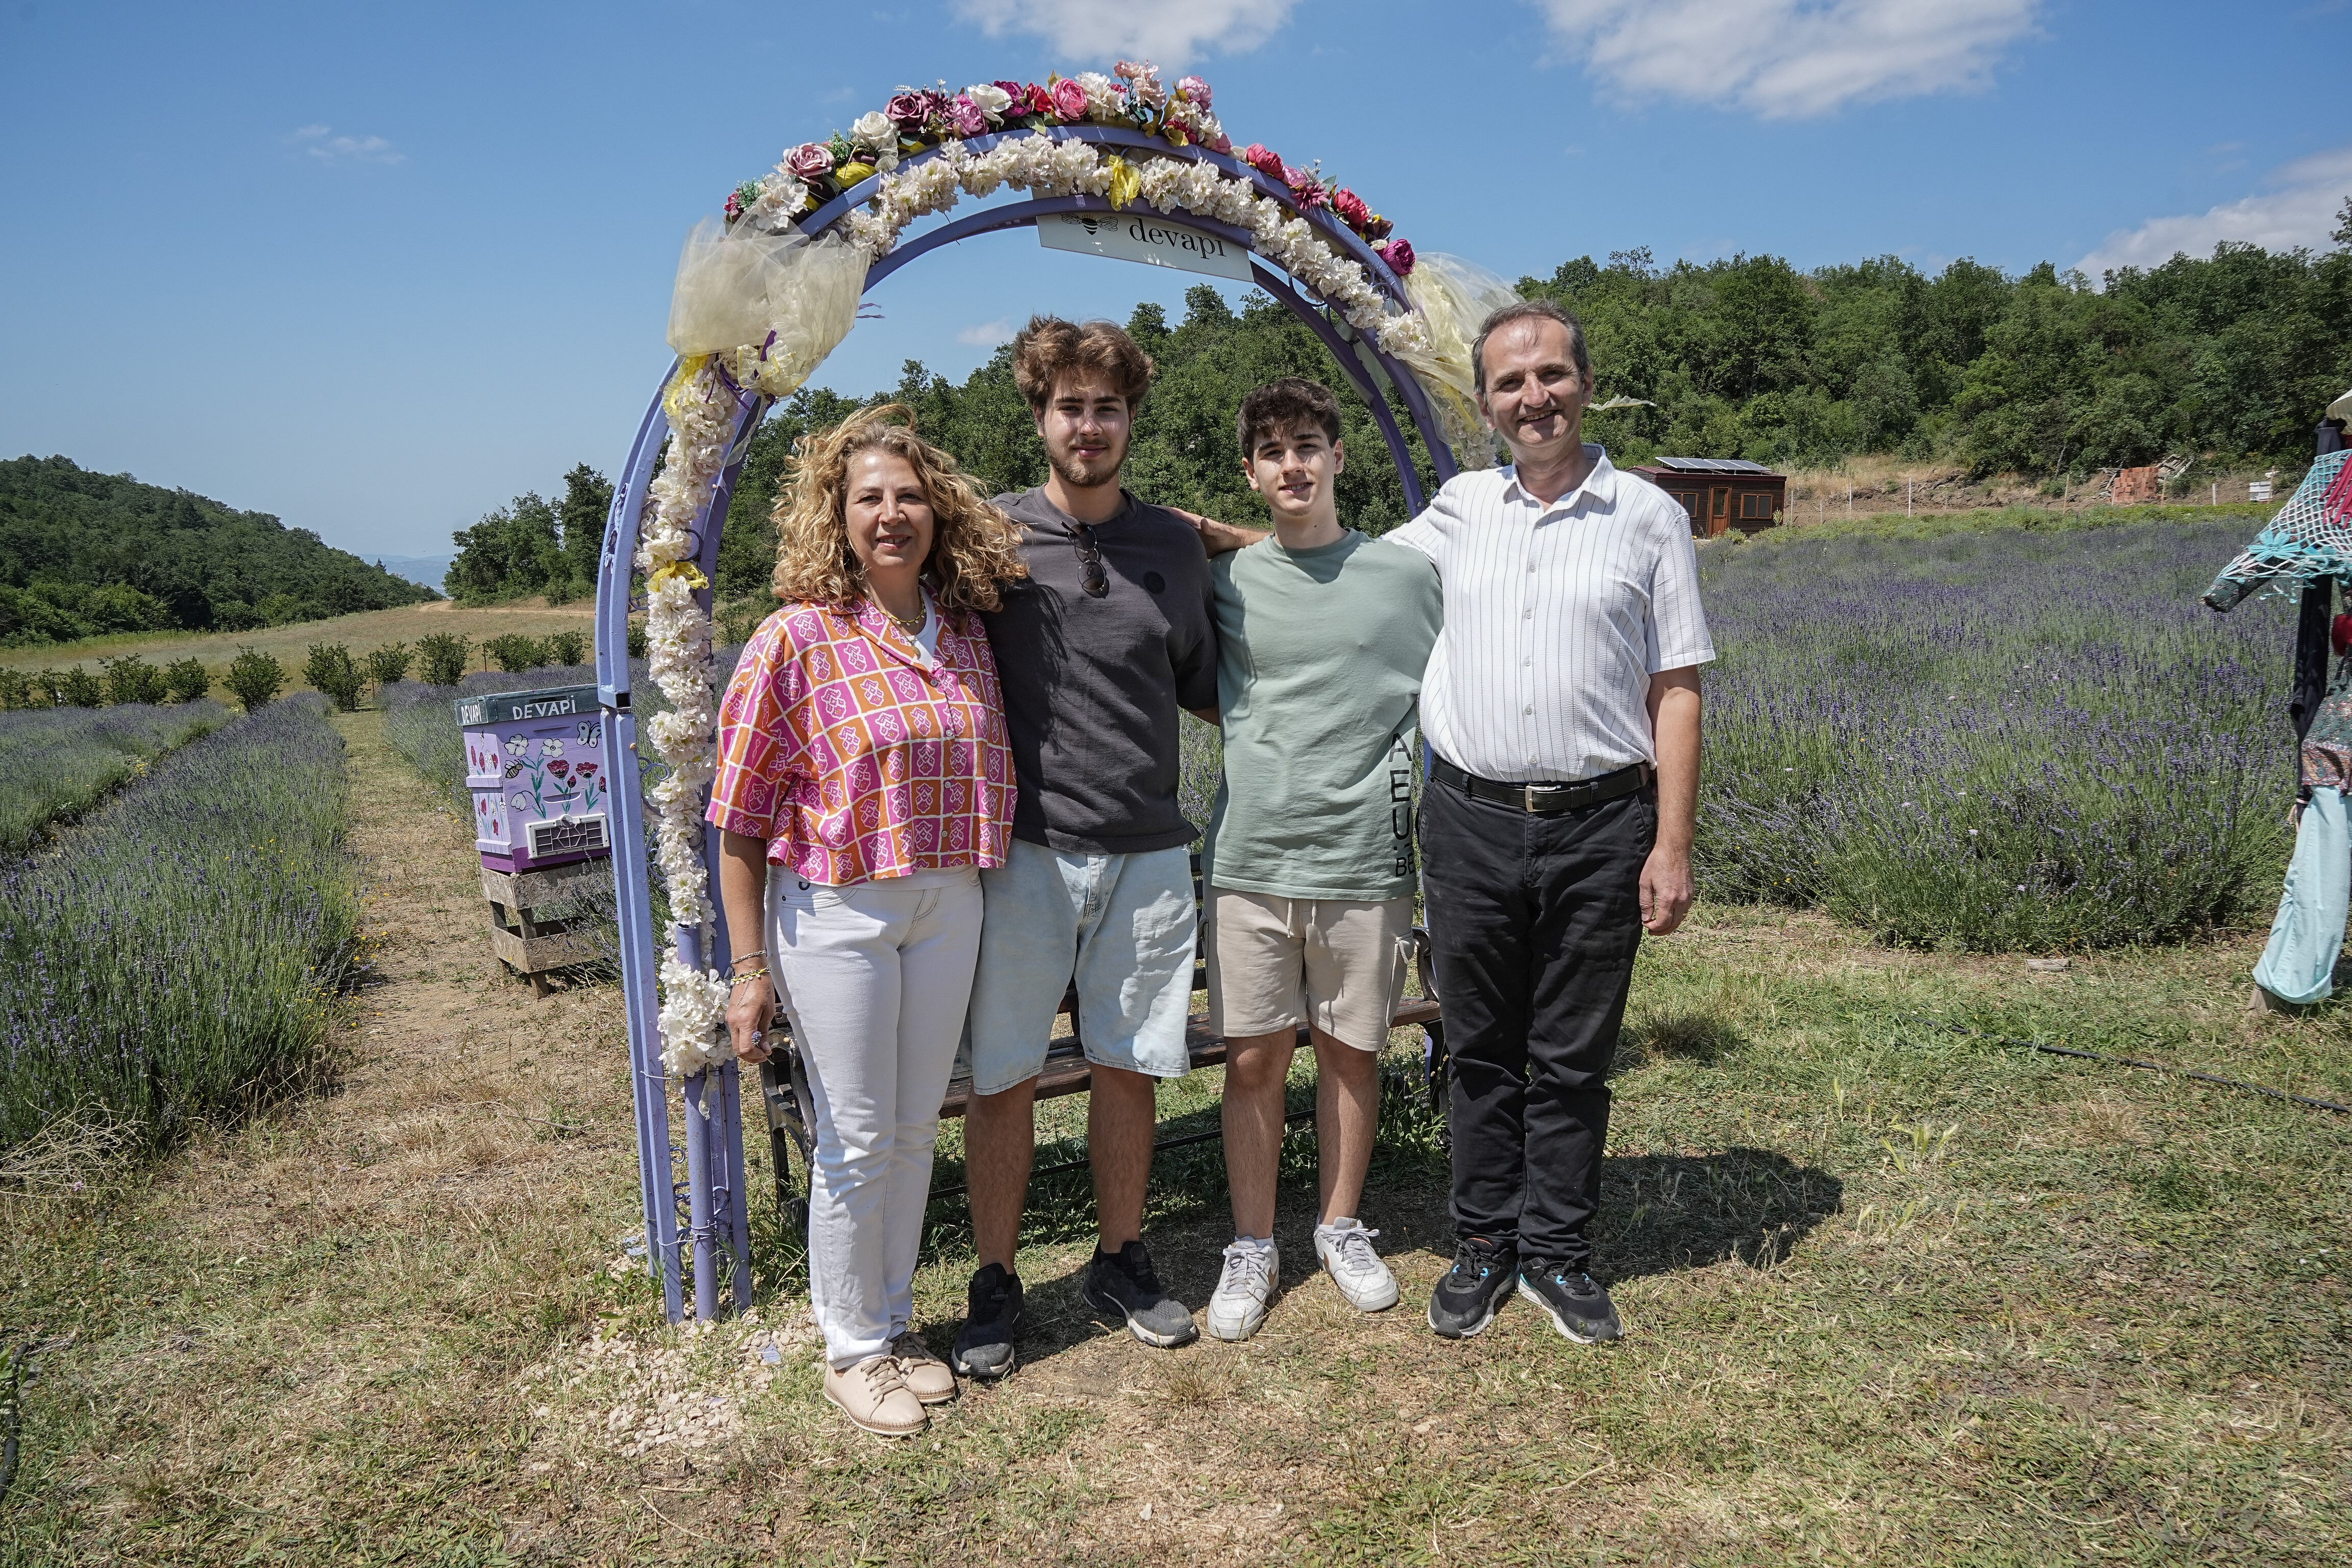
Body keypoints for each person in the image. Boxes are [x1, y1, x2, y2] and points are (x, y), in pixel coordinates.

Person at [1389, 299, 1711, 1343]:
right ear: (1486, 403)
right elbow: (1343, 574)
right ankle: (1484, 1243)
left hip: (1601, 825)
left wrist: (1671, 845)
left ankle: (1559, 1251)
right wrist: (1213, 541)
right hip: (1470, 821)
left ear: (1585, 383)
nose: (1534, 397)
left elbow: (1677, 688)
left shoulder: (1649, 517)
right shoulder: (1459, 509)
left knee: (1574, 1053)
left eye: (1552, 375)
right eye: (1510, 383)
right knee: (1482, 1048)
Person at [710, 406, 1027, 1437]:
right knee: (853, 1136)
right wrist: (748, 967)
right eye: (869, 498)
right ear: (836, 516)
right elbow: (739, 815)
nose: (892, 515)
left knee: (912, 1126)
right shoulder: (796, 637)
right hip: (839, 910)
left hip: (949, 901)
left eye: (910, 496)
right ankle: (851, 1349)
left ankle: (893, 1324)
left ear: (939, 511)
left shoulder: (963, 631)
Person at [950, 316, 1220, 1380]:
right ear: (1040, 416)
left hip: (1148, 851)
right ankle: (996, 1279)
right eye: (1071, 406)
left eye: (1108, 407)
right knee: (1004, 1075)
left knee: (1128, 1064)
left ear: (1131, 418)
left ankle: (1121, 1258)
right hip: (1024, 852)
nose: (1090, 425)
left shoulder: (1171, 547)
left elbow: (1205, 684)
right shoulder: (989, 538)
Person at [1195, 378, 1442, 1342]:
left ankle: (1340, 1226)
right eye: (1273, 452)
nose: (1292, 465)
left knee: (1352, 1053)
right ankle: (1252, 1243)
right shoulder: (1227, 580)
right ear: (1250, 473)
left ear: (1339, 456)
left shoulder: (1408, 577)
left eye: (1308, 446)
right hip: (1251, 860)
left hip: (1367, 859)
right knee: (1254, 1058)